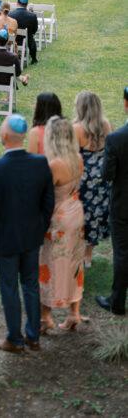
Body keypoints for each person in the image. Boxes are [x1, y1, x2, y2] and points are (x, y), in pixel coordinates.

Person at [0, 115, 54, 353]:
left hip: (6, 239)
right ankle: (33, 336)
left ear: (4, 138)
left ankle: (15, 338)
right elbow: (48, 202)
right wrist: (39, 227)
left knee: (9, 287)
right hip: (32, 236)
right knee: (31, 285)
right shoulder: (40, 163)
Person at [39, 117, 85, 332]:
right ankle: (74, 312)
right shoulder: (78, 158)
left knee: (50, 263)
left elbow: (45, 196)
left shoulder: (54, 165)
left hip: (59, 217)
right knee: (75, 262)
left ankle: (45, 316)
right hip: (76, 211)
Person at [96, 87, 128, 316]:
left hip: (123, 204)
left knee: (122, 252)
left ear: (125, 104)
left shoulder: (116, 139)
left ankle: (117, 302)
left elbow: (107, 175)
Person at [73, 91, 112, 267]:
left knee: (81, 216)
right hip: (102, 179)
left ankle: (80, 254)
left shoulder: (77, 129)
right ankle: (88, 256)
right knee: (95, 215)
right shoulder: (106, 125)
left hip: (83, 180)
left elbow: (72, 156)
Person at [9, 0, 38, 64]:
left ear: (17, 3)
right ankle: (34, 58)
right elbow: (34, 30)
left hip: (14, 38)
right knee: (31, 37)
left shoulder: (11, 14)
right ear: (27, 4)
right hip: (27, 39)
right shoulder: (32, 16)